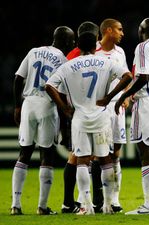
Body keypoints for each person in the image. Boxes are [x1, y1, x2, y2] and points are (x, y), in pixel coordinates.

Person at [45, 32, 132, 215]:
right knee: (106, 159)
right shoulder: (106, 62)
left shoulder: (69, 65)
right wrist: (109, 97)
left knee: (82, 161)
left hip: (80, 119)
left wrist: (64, 108)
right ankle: (108, 205)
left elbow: (49, 86)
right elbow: (127, 76)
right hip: (101, 117)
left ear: (78, 45)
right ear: (95, 46)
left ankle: (86, 205)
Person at [97, 17, 149, 215]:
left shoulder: (143, 47)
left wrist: (124, 95)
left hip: (147, 101)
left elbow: (143, 77)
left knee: (145, 152)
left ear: (141, 29)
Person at [11, 26, 75, 215]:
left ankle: (16, 205)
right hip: (48, 106)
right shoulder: (64, 61)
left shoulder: (33, 51)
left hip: (28, 104)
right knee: (47, 155)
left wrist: (17, 106)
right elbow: (62, 95)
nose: (72, 44)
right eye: (71, 41)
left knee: (24, 153)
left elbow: (17, 79)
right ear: (64, 41)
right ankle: (42, 207)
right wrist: (65, 128)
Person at [60, 21, 104, 214]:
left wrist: (64, 108)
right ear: (95, 38)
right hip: (86, 111)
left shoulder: (70, 56)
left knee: (79, 156)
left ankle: (71, 202)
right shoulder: (94, 56)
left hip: (74, 110)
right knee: (83, 157)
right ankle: (82, 202)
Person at [94, 18, 129, 213]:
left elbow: (126, 76)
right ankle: (95, 199)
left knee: (115, 153)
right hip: (99, 108)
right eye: (119, 29)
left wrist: (127, 95)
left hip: (117, 108)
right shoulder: (94, 51)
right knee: (98, 154)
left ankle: (115, 199)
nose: (122, 33)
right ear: (109, 30)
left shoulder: (120, 52)